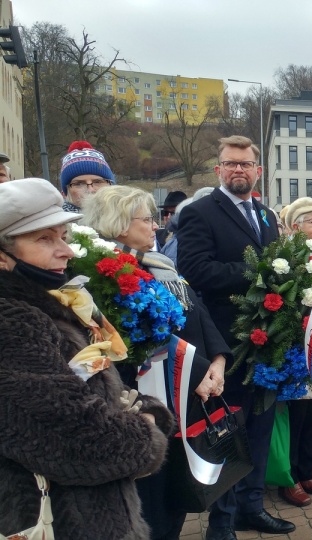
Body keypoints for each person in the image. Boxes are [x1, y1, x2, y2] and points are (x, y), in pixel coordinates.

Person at [0, 178, 173, 539]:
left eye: (62, 235)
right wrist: (147, 434)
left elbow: (92, 384)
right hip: (61, 519)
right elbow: (69, 431)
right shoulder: (13, 320)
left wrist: (145, 407)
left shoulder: (45, 303)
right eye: (44, 239)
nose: (67, 250)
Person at [82, 185, 233, 539]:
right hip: (147, 401)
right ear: (119, 224)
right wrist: (197, 374)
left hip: (191, 392)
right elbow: (138, 342)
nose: (156, 226)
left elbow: (197, 310)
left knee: (175, 497)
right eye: (147, 219)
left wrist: (219, 361)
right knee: (152, 504)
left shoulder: (160, 263)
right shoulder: (103, 276)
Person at [177, 135, 292, 539]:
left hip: (267, 340)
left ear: (258, 171)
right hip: (226, 342)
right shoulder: (200, 212)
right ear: (219, 170)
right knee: (230, 430)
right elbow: (194, 271)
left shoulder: (264, 214)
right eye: (231, 163)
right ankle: (221, 525)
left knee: (260, 427)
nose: (238, 169)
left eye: (246, 164)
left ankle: (252, 508)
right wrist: (258, 274)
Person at [268, 197, 312, 508]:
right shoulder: (287, 257)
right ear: (295, 227)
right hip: (299, 350)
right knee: (296, 415)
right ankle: (291, 477)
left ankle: (308, 470)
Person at [59, 140, 116, 213]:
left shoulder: (130, 218)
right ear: (65, 193)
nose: (91, 190)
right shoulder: (56, 223)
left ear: (111, 185)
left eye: (98, 182)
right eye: (79, 184)